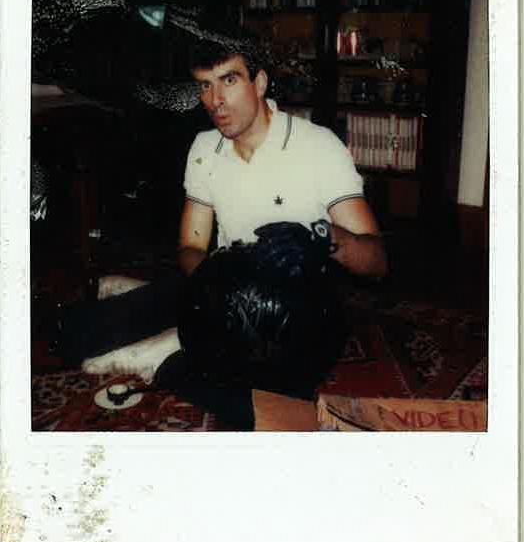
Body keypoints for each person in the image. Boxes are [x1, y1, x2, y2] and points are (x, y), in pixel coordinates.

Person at [57, 31, 387, 391]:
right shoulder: (204, 147)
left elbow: (376, 261)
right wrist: (215, 288)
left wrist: (323, 237)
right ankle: (174, 328)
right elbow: (191, 247)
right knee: (73, 338)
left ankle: (172, 352)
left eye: (229, 80)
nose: (215, 101)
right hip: (218, 286)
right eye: (204, 86)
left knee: (262, 398)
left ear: (259, 83)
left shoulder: (319, 147)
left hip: (294, 306)